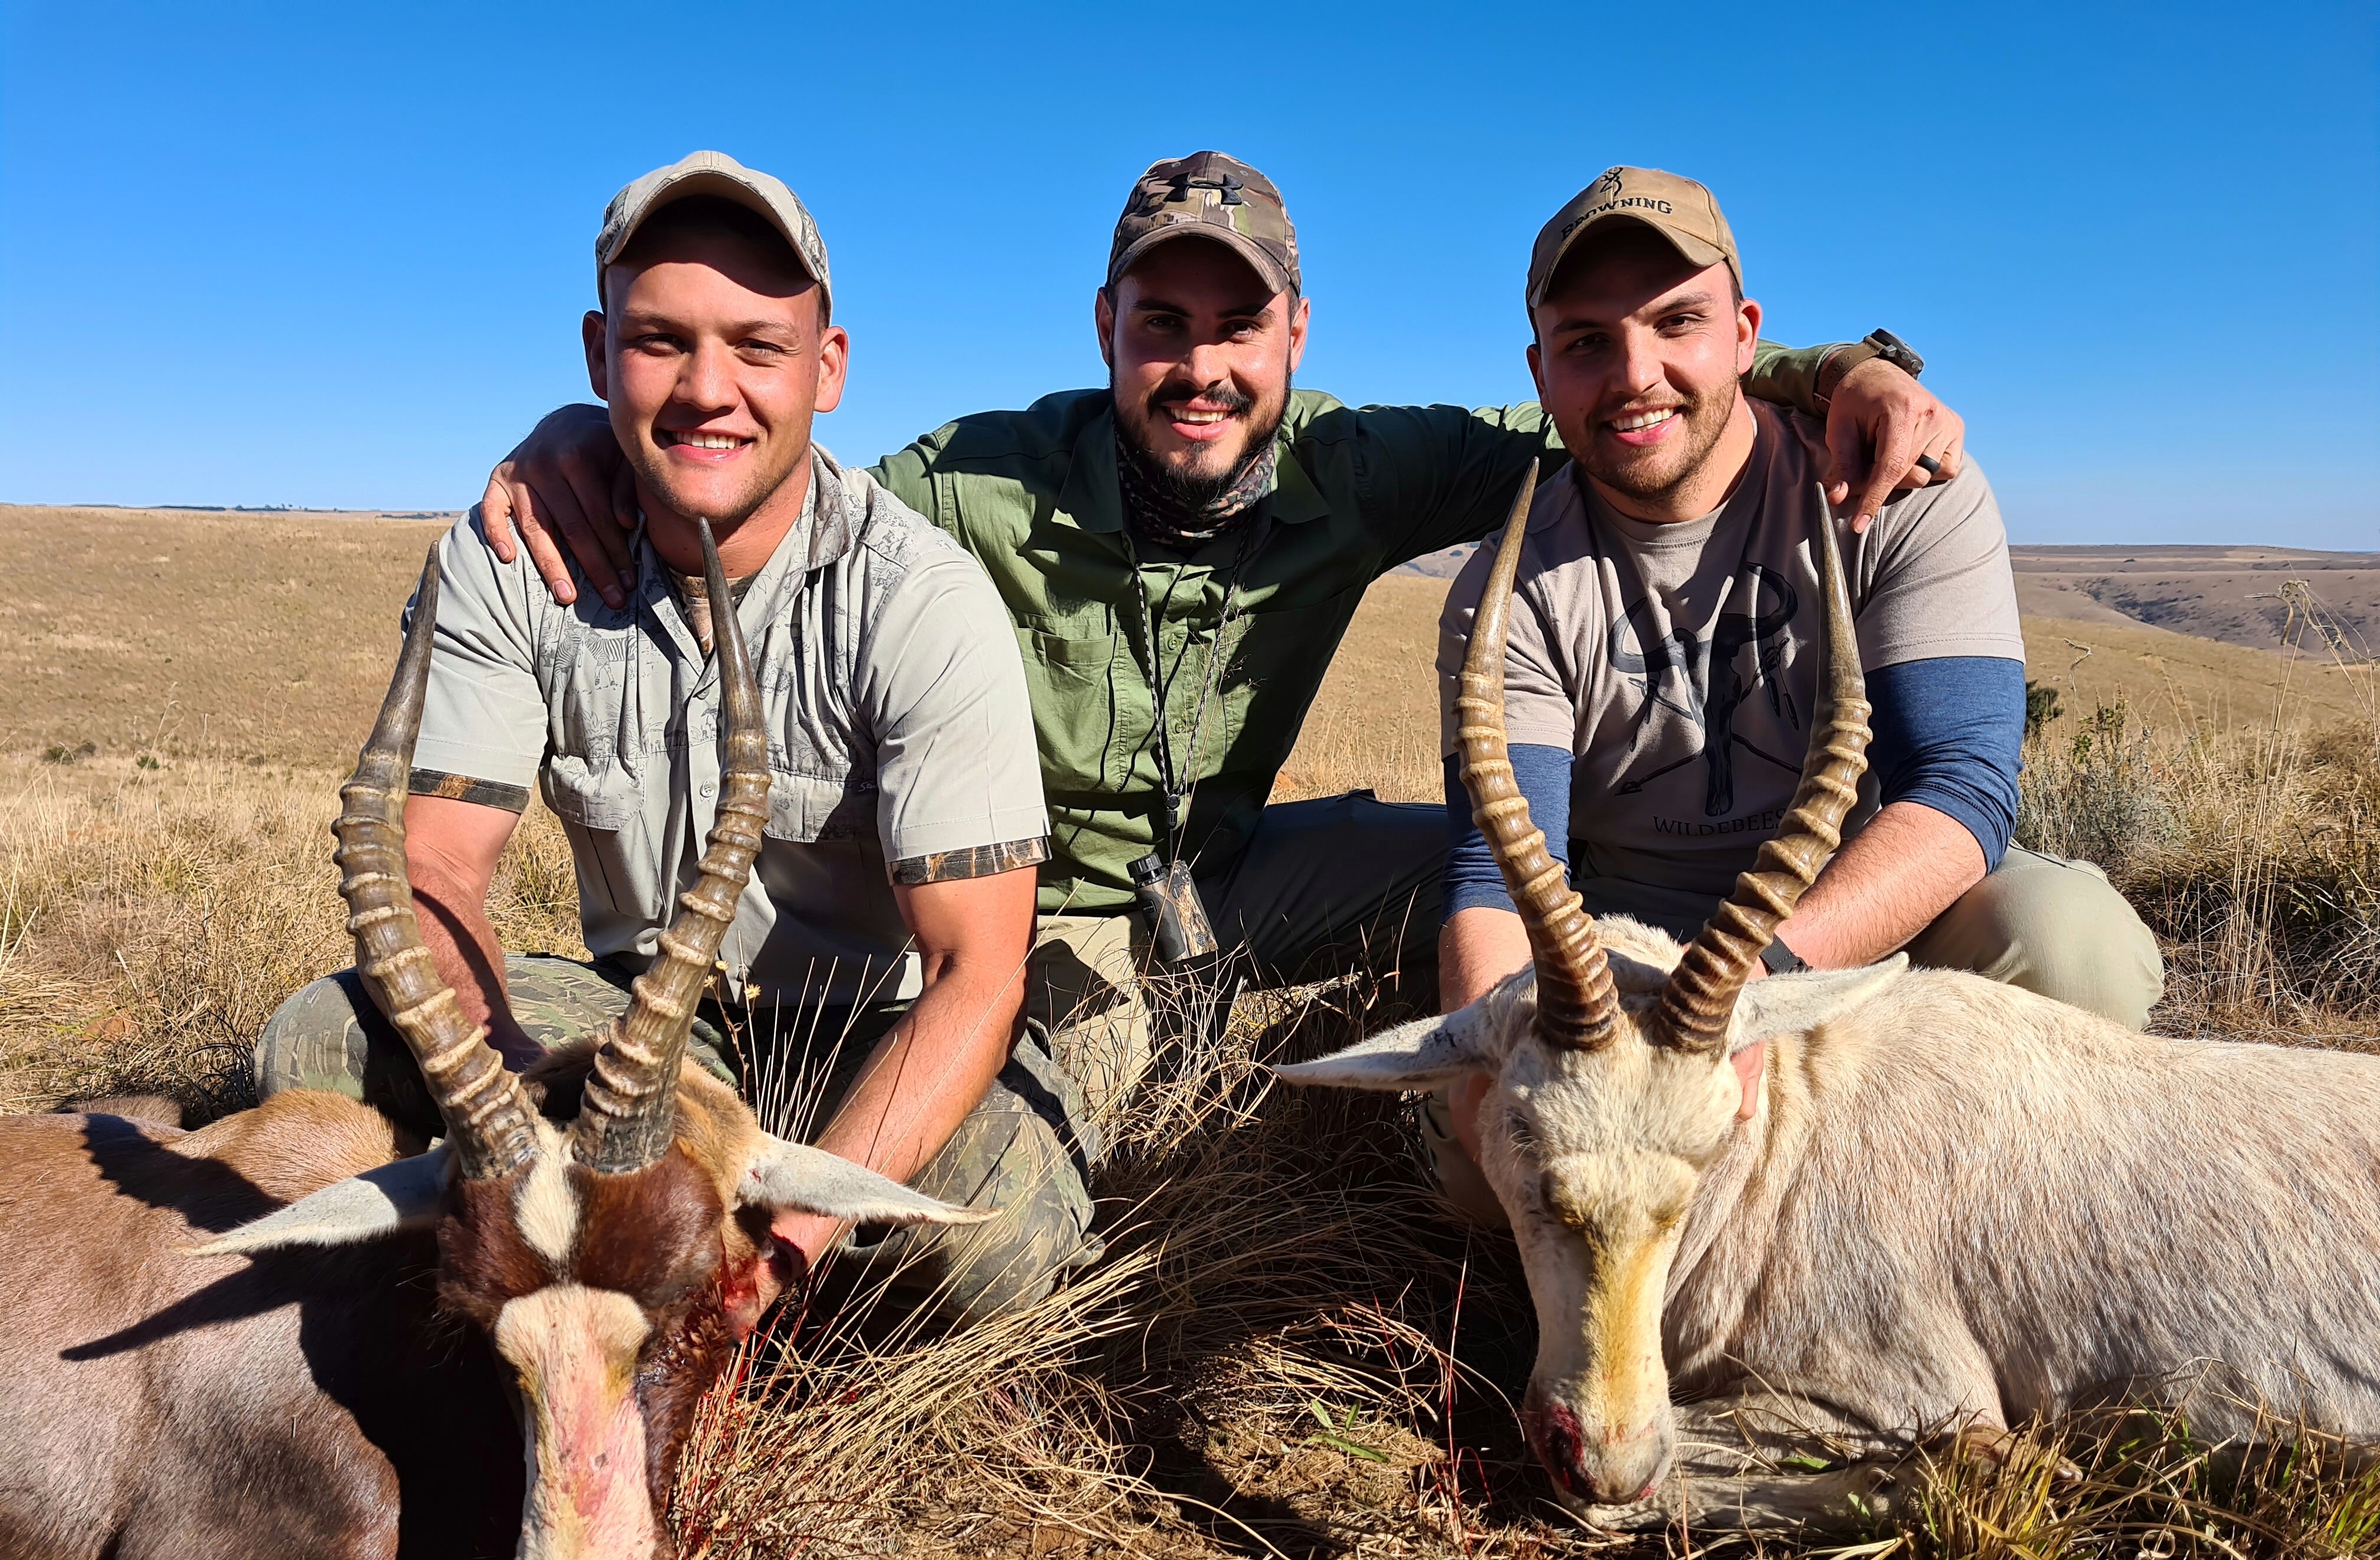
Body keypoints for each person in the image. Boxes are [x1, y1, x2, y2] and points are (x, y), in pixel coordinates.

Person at [479, 151, 1970, 1110]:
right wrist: (591, 436)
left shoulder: (1360, 465)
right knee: (1097, 1110)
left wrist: (1850, 370)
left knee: (1488, 872)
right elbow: (781, 485)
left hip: (1243, 872)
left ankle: (1584, 1077)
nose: (1201, 367)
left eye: (1236, 327)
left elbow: (1627, 411)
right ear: (1107, 331)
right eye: (1162, 324)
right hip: (1048, 906)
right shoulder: (972, 482)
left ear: (1295, 336)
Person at [257, 152, 1094, 1327]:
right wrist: (508, 1119)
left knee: (998, 1241)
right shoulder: (505, 563)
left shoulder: (922, 600)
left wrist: (774, 1266)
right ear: (598, 353)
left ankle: (738, 1298)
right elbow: (436, 868)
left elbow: (977, 973)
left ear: (828, 368)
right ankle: (539, 1279)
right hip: (646, 1034)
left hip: (866, 1036)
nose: (710, 390)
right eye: (661, 343)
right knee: (317, 1046)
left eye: (758, 346)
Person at [1428, 166, 2163, 1210]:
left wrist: (1755, 979)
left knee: (2069, 952)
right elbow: (1501, 872)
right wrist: (1511, 1058)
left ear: (1745, 333)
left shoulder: (1902, 489)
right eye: (1588, 342)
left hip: (1853, 926)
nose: (1636, 374)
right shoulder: (1508, 589)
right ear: (1542, 374)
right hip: (1620, 966)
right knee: (1476, 1154)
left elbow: (1959, 789)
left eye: (1676, 321)